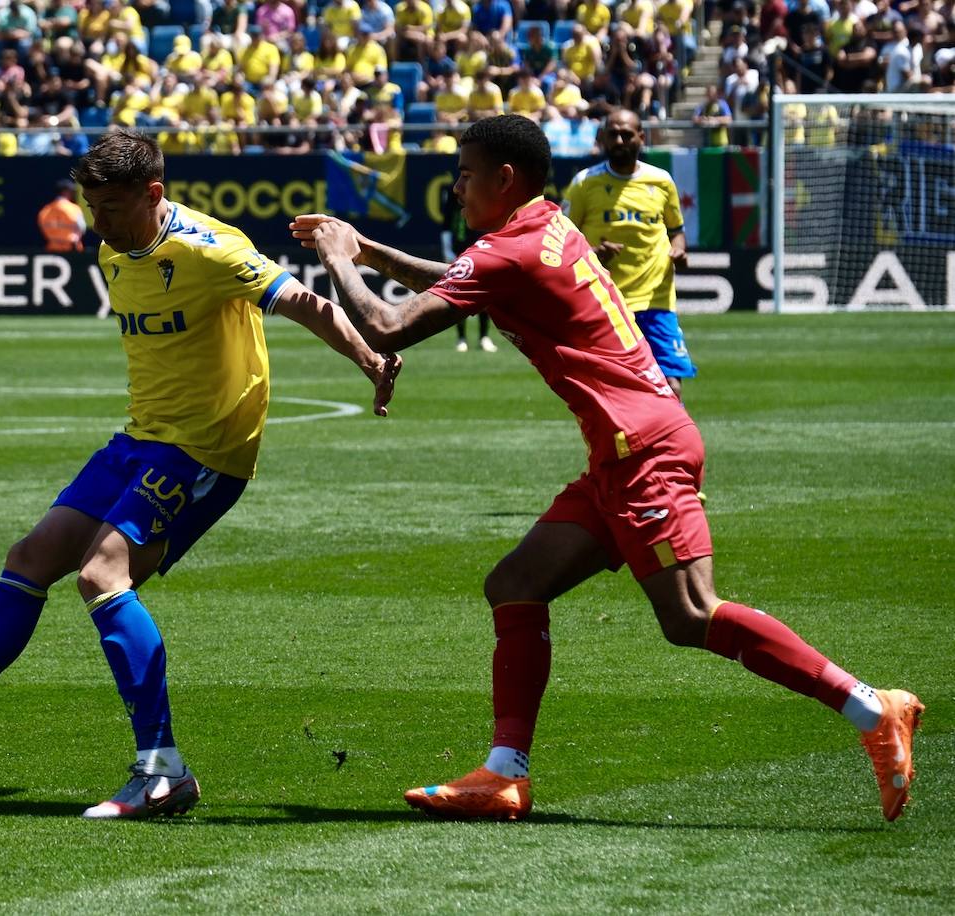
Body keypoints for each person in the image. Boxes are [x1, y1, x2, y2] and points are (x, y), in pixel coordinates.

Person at [289, 115, 922, 824]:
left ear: (504, 179)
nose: (457, 186)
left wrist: (341, 260)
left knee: (689, 613)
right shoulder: (547, 226)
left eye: (466, 173)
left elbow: (388, 326)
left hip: (639, 450)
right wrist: (370, 247)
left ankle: (872, 707)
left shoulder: (509, 251)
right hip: (630, 445)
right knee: (516, 583)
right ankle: (504, 775)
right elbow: (469, 280)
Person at [0, 131, 402, 821]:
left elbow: (302, 302)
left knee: (102, 576)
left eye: (108, 206)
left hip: (204, 449)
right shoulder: (112, 247)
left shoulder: (208, 249)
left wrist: (371, 359)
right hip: (140, 438)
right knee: (31, 557)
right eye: (89, 205)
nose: (95, 221)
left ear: (153, 194)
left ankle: (162, 769)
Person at [563, 109, 694, 400]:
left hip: (655, 300)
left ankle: (671, 446)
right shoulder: (585, 183)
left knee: (670, 387)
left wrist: (680, 249)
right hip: (604, 302)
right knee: (614, 393)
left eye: (626, 134)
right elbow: (562, 241)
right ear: (603, 140)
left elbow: (677, 230)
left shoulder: (661, 181)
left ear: (641, 138)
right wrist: (594, 254)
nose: (620, 140)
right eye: (613, 134)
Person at [442, 184, 495, 353]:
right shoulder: (455, 192)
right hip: (460, 249)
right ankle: (461, 338)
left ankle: (484, 337)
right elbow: (447, 220)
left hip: (482, 248)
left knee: (484, 294)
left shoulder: (487, 192)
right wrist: (447, 249)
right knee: (459, 294)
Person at [38, 178, 88, 252]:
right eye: (72, 192)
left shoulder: (45, 210)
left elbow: (43, 227)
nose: (73, 194)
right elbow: (82, 228)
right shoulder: (74, 209)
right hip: (72, 249)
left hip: (52, 248)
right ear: (66, 192)